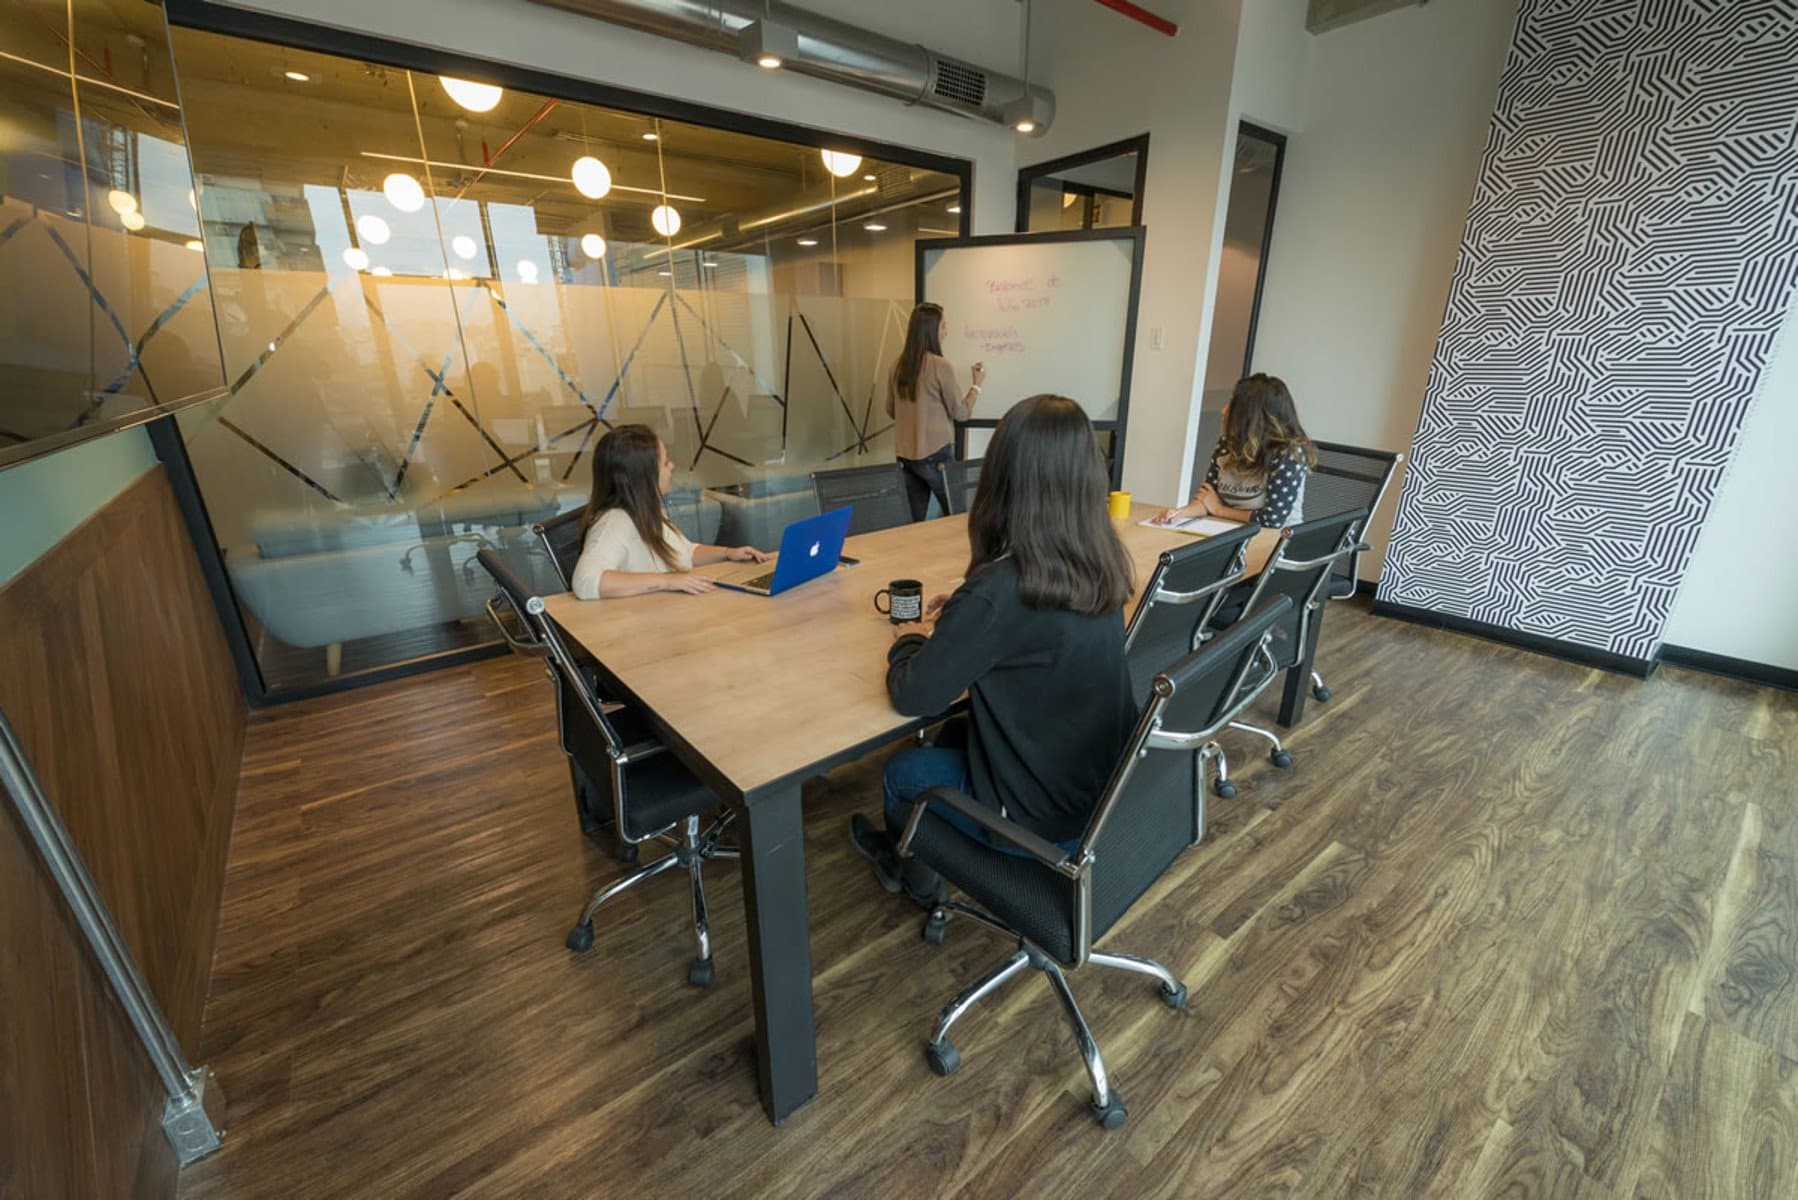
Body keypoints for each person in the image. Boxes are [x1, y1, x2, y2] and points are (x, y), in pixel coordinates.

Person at [849, 395, 1140, 907]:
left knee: (899, 774)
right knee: (954, 731)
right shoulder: (1099, 562)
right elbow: (1028, 635)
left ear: (1003, 478)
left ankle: (918, 883)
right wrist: (965, 615)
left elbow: (914, 694)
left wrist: (907, 639)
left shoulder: (1003, 590)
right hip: (1099, 792)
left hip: (1038, 821)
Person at [570, 425, 766, 600]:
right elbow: (586, 582)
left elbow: (685, 552)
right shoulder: (614, 523)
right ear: (643, 476)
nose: (671, 466)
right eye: (664, 463)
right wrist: (668, 581)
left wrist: (728, 553)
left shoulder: (644, 513)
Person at [1155, 373, 1314, 529]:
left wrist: (1220, 510)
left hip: (1275, 543)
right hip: (1228, 532)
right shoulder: (1227, 443)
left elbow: (1272, 520)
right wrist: (1178, 513)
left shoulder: (1288, 455)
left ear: (1252, 416)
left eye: (1233, 404)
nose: (1224, 410)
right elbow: (1207, 498)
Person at [886, 301, 985, 522]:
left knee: (913, 525)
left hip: (905, 458)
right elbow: (961, 413)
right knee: (960, 517)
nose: (946, 332)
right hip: (935, 456)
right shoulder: (941, 366)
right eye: (943, 326)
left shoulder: (896, 366)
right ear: (931, 330)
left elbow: (891, 410)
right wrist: (976, 385)